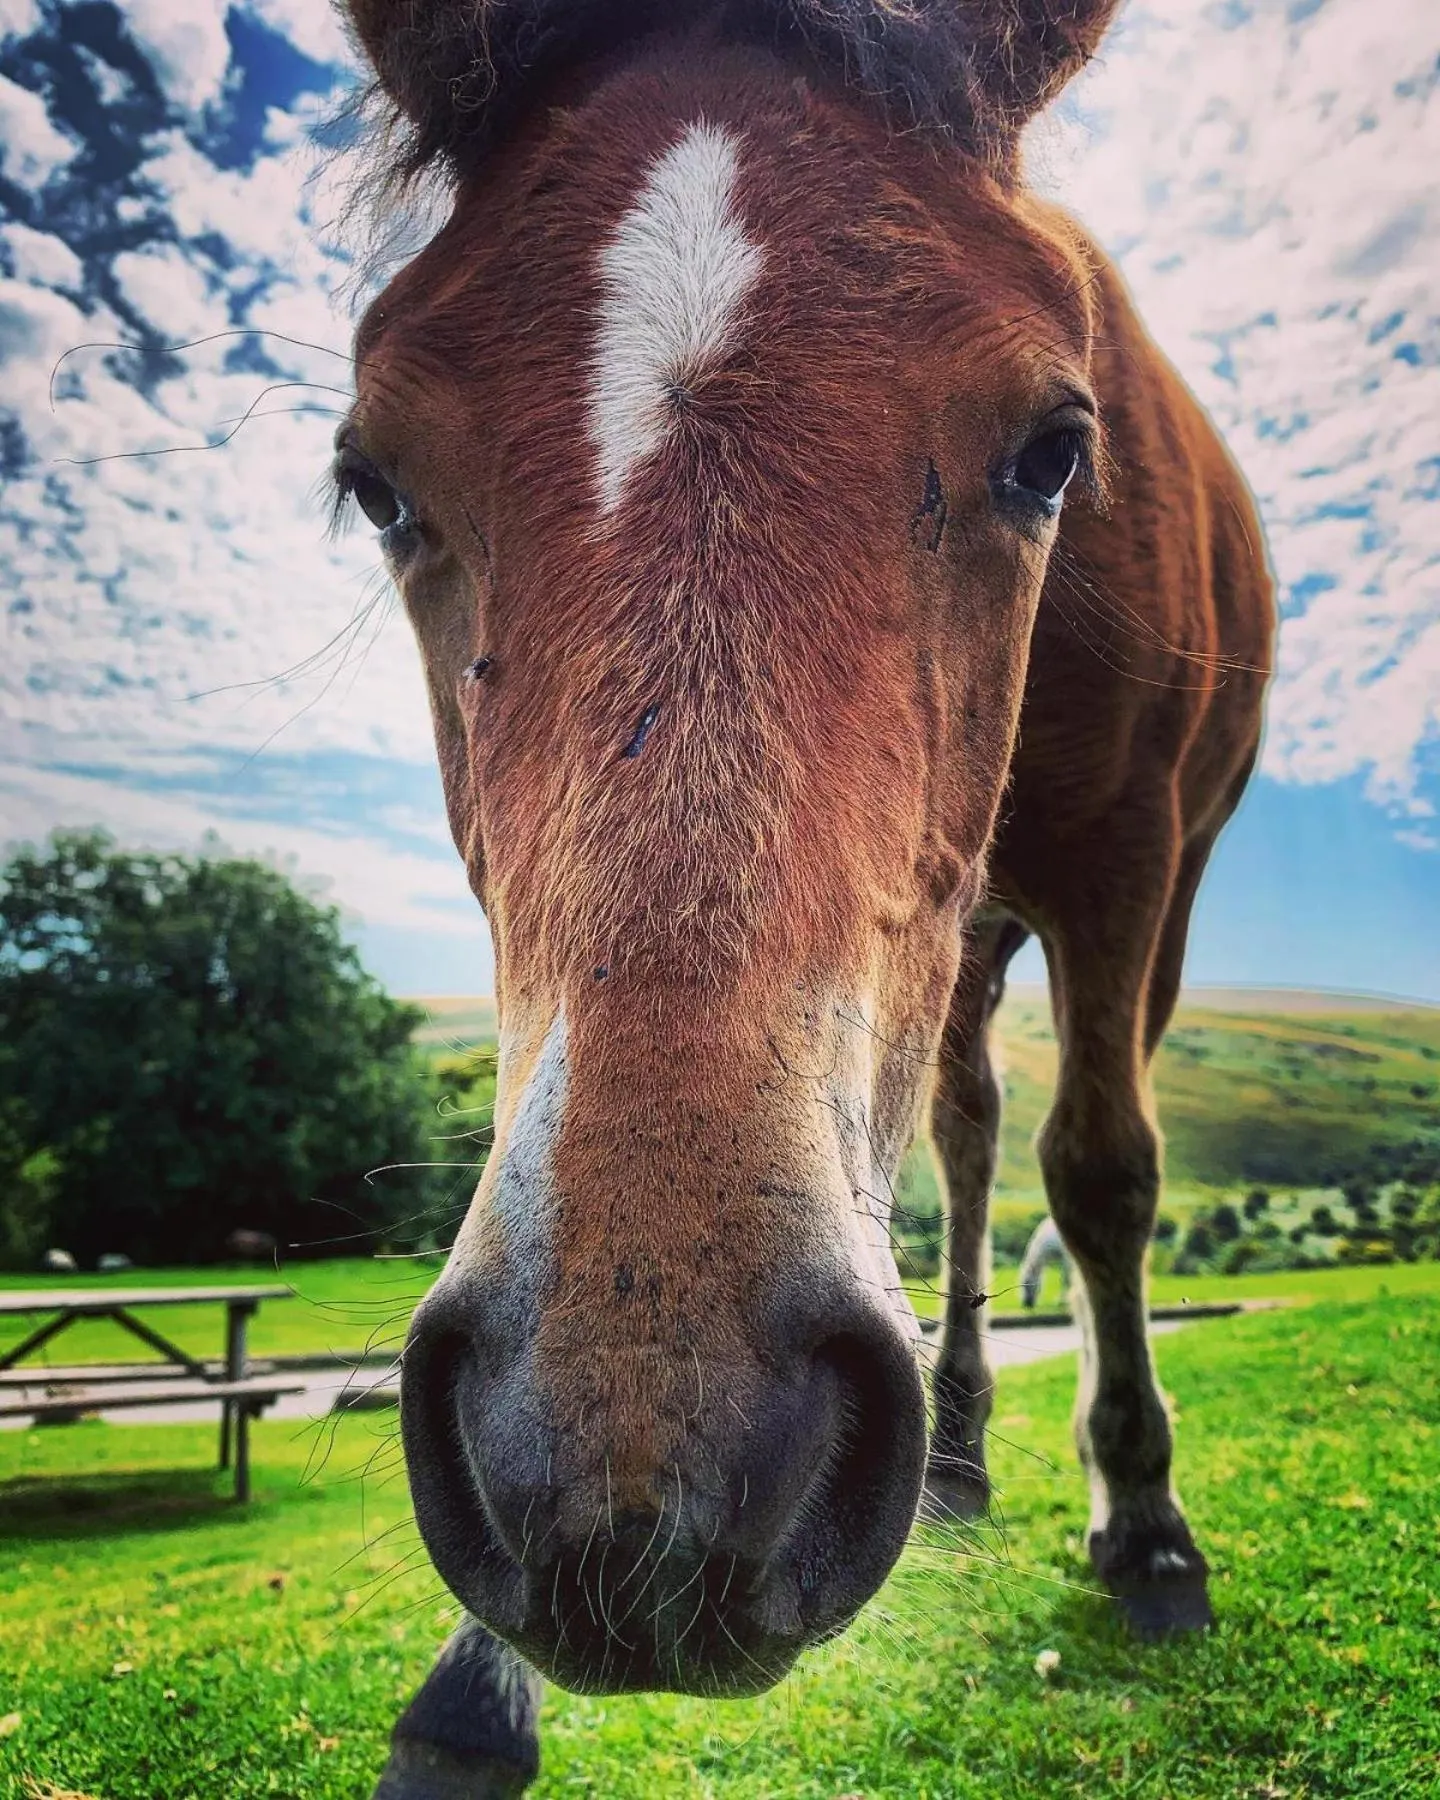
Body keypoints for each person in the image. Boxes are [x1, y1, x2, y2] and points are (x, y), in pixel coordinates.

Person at [1018, 1216, 1071, 1310]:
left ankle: (1030, 1297)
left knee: (1032, 1269)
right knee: (1069, 1267)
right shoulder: (1046, 1228)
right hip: (1056, 1237)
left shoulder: (1045, 1231)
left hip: (1055, 1237)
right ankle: (1030, 1297)